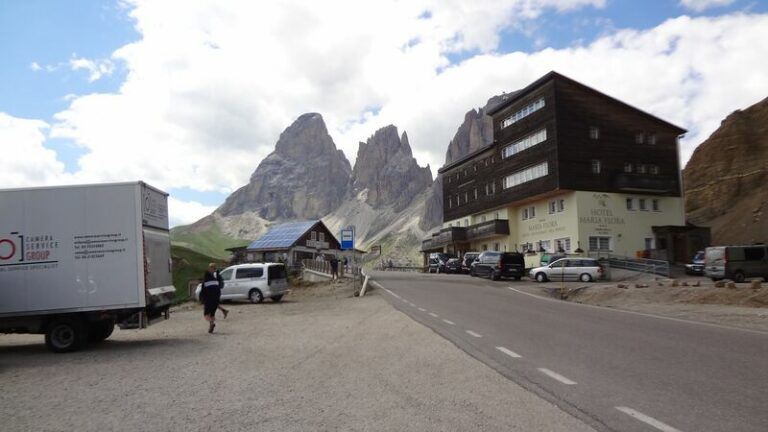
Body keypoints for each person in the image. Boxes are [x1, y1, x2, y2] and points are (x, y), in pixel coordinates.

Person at [201, 263, 222, 333]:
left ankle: (212, 323)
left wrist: (202, 300)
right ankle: (210, 327)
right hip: (216, 299)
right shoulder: (216, 280)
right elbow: (219, 290)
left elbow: (203, 292)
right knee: (212, 314)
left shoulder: (205, 281)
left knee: (206, 314)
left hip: (208, 300)